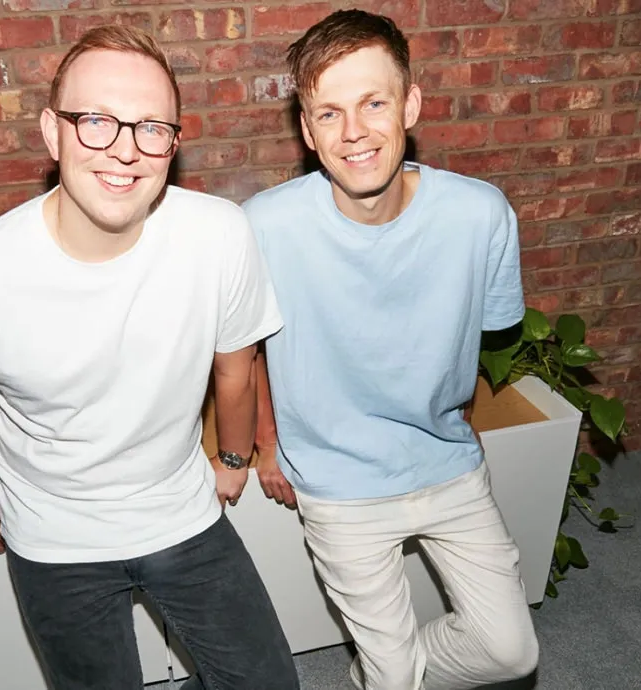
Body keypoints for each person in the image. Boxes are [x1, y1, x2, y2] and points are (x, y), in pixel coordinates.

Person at [0, 25, 299, 690]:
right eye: (96, 122)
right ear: (52, 133)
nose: (125, 150)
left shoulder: (218, 236)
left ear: (174, 142)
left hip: (182, 512)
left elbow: (237, 362)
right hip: (56, 539)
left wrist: (234, 456)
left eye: (150, 127)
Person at [244, 9, 540, 690]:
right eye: (328, 113)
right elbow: (245, 345)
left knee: (511, 653)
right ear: (306, 129)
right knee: (396, 678)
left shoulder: (481, 213)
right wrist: (266, 441)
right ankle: (389, 670)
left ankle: (379, 670)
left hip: (446, 464)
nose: (353, 133)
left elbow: (490, 332)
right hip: (337, 482)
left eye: (373, 102)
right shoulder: (266, 225)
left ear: (410, 104)